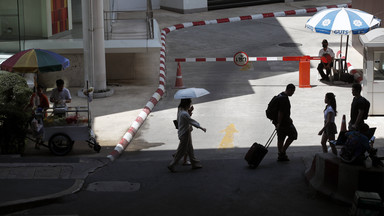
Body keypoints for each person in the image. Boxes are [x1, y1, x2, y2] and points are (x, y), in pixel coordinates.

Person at [168, 99, 206, 172]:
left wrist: (190, 111)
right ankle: (172, 165)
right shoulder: (184, 114)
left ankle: (195, 163)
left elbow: (187, 118)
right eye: (189, 104)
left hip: (184, 132)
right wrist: (201, 128)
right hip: (184, 133)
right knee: (182, 151)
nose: (190, 105)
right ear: (186, 105)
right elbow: (191, 121)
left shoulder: (180, 110)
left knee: (190, 149)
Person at [274, 83, 297, 161]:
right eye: (293, 91)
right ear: (289, 90)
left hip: (279, 122)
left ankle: (280, 154)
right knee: (293, 134)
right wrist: (279, 123)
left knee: (281, 138)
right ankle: (282, 152)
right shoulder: (284, 99)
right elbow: (281, 112)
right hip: (283, 123)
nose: (293, 93)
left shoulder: (280, 95)